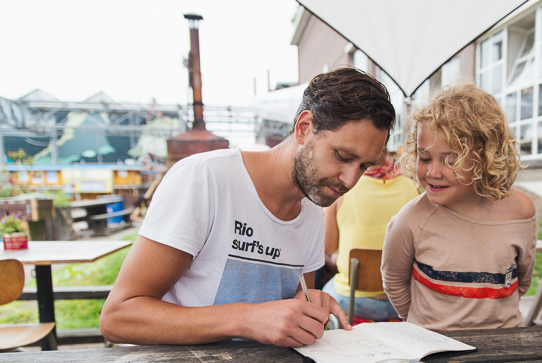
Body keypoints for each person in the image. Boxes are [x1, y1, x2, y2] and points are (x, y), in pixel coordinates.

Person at [100, 67, 396, 347]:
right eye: (343, 156)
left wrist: (307, 308)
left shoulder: (312, 212)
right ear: (304, 128)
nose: (350, 179)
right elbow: (118, 317)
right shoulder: (206, 177)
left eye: (364, 167)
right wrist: (246, 319)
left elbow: (291, 308)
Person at [381, 83, 537, 331]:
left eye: (451, 160)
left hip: (505, 345)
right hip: (434, 348)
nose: (433, 172)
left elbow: (522, 279)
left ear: (486, 157)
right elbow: (394, 281)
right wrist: (422, 325)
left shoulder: (521, 212)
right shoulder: (411, 219)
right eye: (424, 157)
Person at [322, 150, 419, 322]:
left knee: (322, 294)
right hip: (403, 300)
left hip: (353, 300)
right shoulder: (412, 186)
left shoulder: (343, 188)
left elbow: (328, 247)